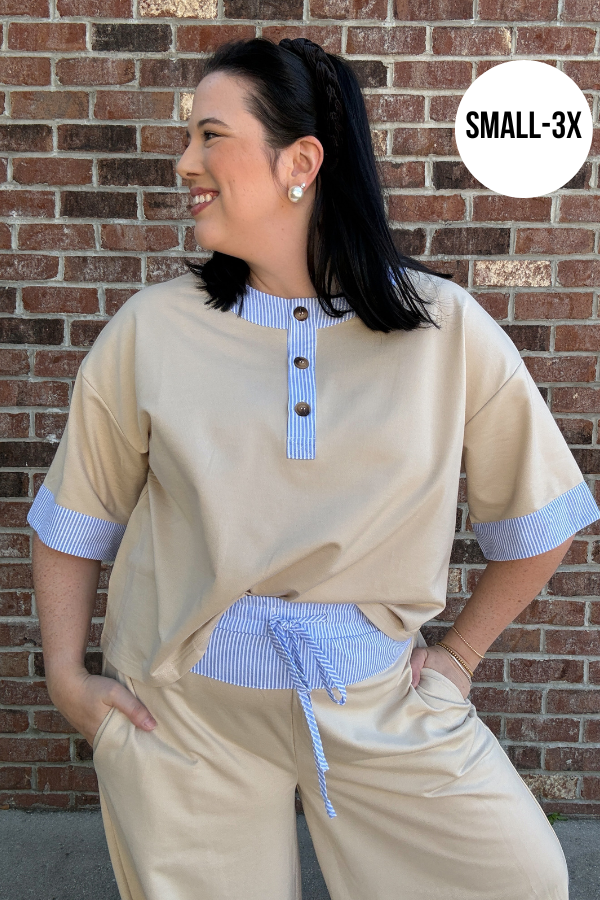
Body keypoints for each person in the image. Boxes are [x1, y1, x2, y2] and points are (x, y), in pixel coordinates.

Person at [29, 37, 598, 900]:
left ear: (300, 162)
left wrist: (457, 661)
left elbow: (540, 519)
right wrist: (67, 678)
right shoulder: (150, 330)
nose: (185, 162)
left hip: (379, 704)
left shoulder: (445, 329)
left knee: (519, 879)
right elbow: (77, 517)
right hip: (184, 718)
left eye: (210, 135)